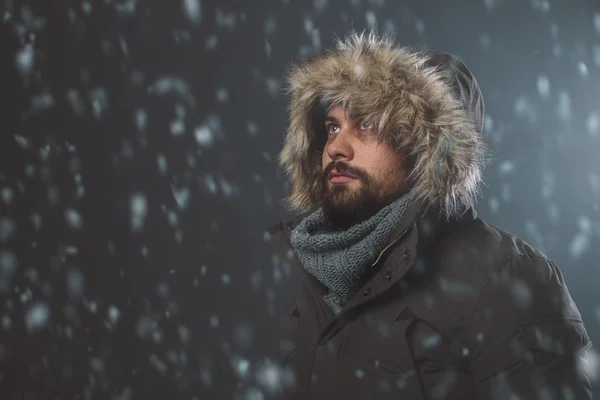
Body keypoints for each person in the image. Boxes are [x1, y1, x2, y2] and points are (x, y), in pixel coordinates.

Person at [266, 31, 594, 399]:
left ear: (425, 148)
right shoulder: (323, 274)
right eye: (332, 127)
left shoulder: (508, 278)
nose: (337, 147)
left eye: (367, 124)